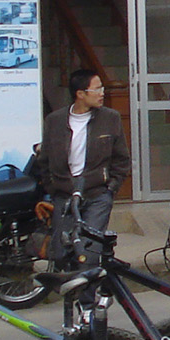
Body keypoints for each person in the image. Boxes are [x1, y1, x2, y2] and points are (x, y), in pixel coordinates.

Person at [41, 69, 131, 234]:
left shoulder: (110, 118)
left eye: (102, 89)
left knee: (90, 249)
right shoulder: (54, 121)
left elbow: (122, 159)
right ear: (80, 94)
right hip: (64, 194)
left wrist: (110, 189)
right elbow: (45, 160)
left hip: (97, 193)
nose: (102, 94)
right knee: (62, 250)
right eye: (97, 90)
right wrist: (53, 188)